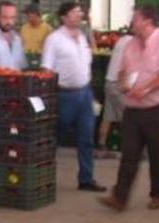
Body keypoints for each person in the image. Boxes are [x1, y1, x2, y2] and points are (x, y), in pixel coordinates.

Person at [99, 5, 159, 211]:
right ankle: (120, 197)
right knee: (129, 153)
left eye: (135, 19)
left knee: (158, 153)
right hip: (133, 109)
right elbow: (123, 71)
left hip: (158, 108)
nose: (132, 22)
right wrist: (123, 82)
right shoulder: (130, 45)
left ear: (147, 21)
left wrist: (145, 89)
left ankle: (158, 194)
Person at [42, 2, 105, 192]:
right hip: (64, 95)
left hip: (85, 94)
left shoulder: (83, 36)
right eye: (74, 12)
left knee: (86, 138)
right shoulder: (54, 39)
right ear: (64, 17)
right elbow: (46, 69)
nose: (79, 15)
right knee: (55, 137)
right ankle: (43, 177)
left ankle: (86, 179)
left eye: (80, 12)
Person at [96, 31, 133, 159]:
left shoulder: (122, 40)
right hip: (118, 85)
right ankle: (130, 150)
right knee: (130, 117)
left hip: (109, 83)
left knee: (108, 116)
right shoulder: (132, 42)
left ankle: (101, 147)